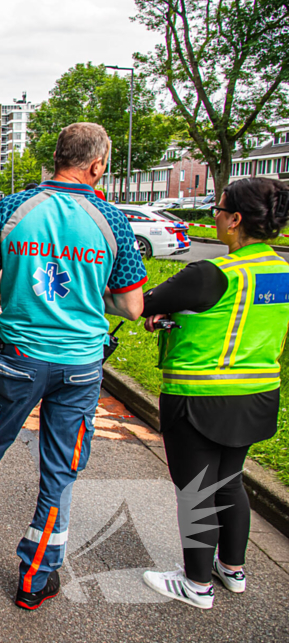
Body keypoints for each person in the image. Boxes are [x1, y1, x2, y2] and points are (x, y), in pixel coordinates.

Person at [0, 122, 146, 609]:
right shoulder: (112, 220)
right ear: (95, 166)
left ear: (56, 158)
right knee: (59, 472)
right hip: (81, 366)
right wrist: (90, 295)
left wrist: (22, 285)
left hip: (21, 360)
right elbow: (133, 306)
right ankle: (34, 579)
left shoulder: (12, 209)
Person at [141, 177, 289, 610]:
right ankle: (232, 570)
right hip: (257, 395)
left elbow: (143, 303)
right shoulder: (280, 271)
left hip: (201, 397)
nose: (215, 216)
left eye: (219, 209)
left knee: (196, 489)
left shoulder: (212, 274)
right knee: (229, 483)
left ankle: (196, 584)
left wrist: (160, 309)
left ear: (236, 219)